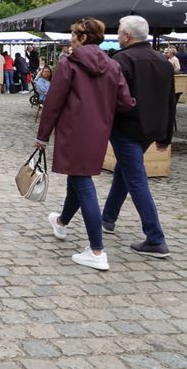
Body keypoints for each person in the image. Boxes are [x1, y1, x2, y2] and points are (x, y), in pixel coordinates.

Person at [37, 18, 134, 271]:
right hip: (98, 132)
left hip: (73, 132)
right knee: (77, 180)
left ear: (83, 38)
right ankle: (61, 222)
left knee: (82, 183)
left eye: (73, 35)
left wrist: (42, 136)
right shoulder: (113, 66)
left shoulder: (68, 64)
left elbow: (54, 103)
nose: (70, 38)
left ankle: (96, 250)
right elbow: (125, 103)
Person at [102, 15, 175, 258]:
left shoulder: (122, 59)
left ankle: (155, 238)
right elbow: (169, 100)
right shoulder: (162, 60)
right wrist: (166, 136)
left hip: (126, 129)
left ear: (126, 36)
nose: (119, 37)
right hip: (151, 129)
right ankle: (108, 218)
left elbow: (110, 98)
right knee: (125, 171)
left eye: (120, 33)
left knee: (136, 179)